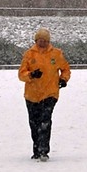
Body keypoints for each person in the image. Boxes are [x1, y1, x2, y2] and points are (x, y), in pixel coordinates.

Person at [18, 28, 71, 162]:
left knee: (45, 121)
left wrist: (63, 79)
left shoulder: (56, 54)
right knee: (34, 123)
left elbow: (66, 69)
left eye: (45, 41)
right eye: (40, 40)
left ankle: (43, 150)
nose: (43, 43)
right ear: (36, 40)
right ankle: (36, 149)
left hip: (50, 93)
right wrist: (31, 75)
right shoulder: (29, 54)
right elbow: (21, 74)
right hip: (32, 95)